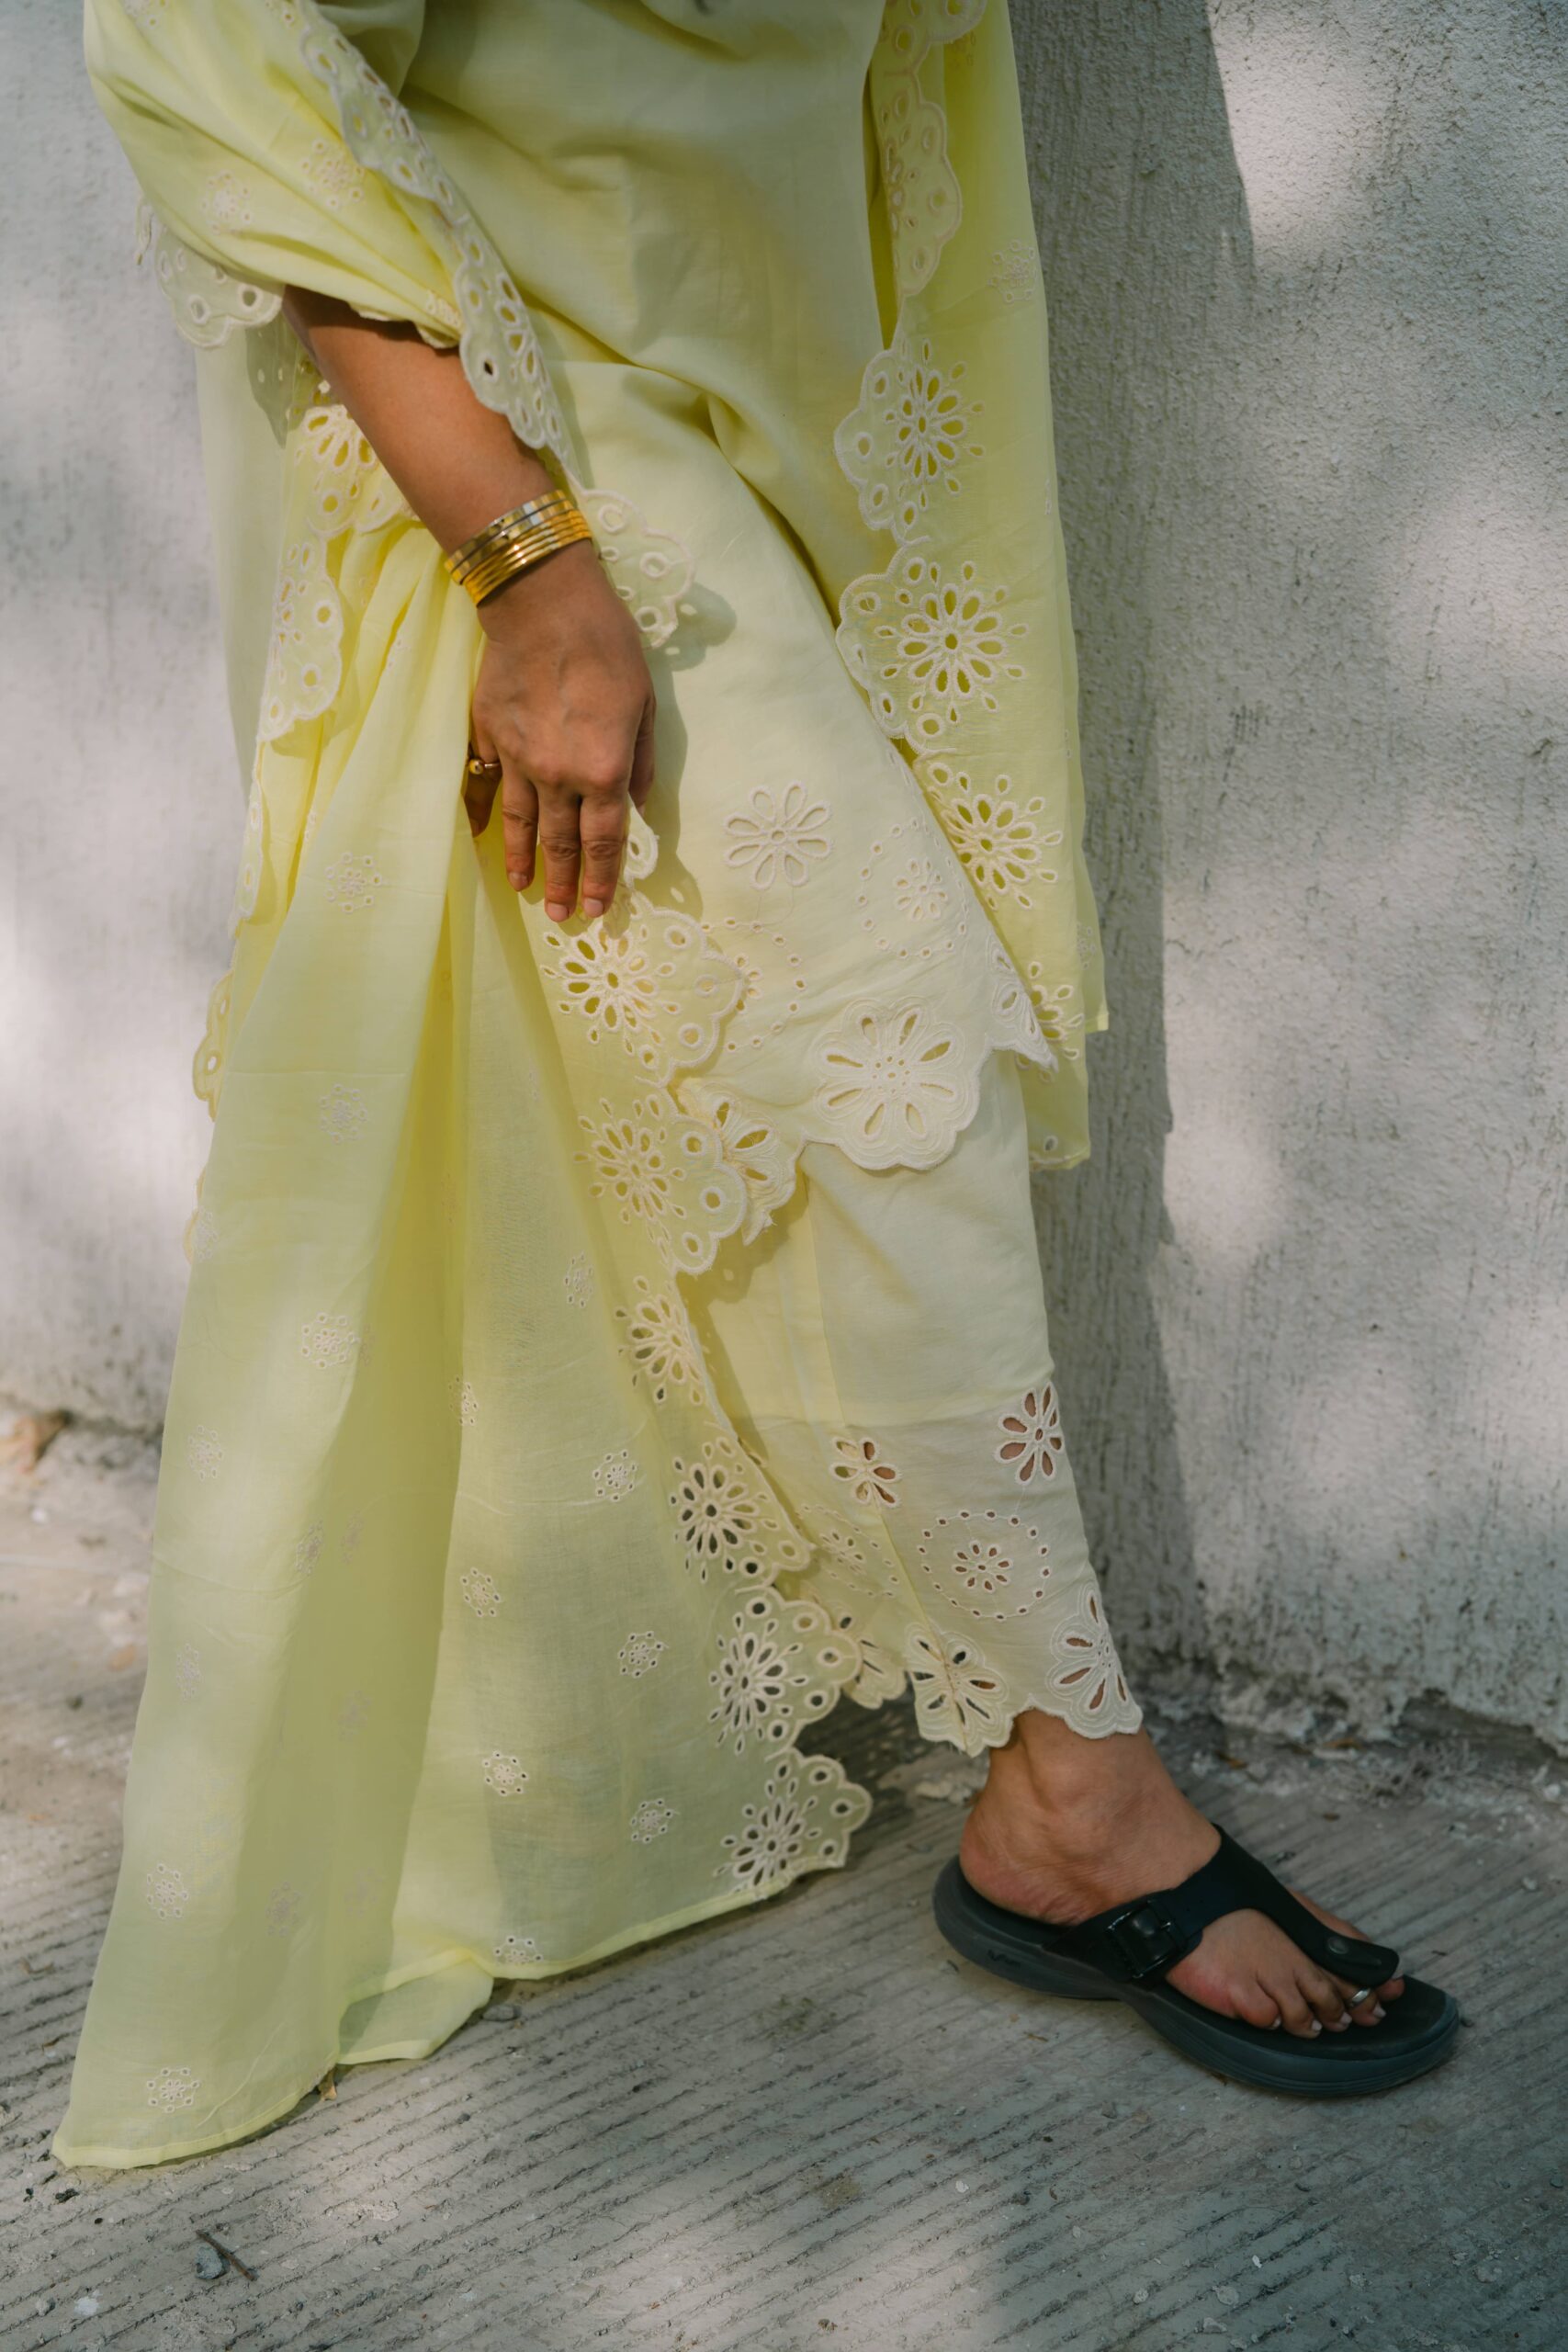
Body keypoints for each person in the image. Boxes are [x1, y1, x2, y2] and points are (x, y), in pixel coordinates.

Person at [55, 0, 1454, 2171]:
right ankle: (1074, 1786)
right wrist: (525, 563)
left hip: (778, 432)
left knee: (746, 1100)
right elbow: (214, 46)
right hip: (541, 438)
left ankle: (929, 1757)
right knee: (889, 1063)